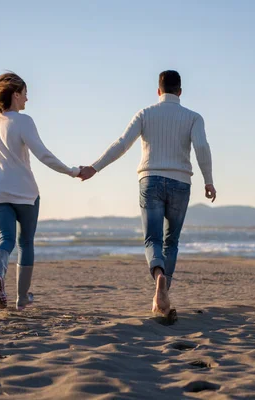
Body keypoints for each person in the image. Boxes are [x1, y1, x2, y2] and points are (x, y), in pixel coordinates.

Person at [79, 70, 216, 317]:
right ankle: (162, 295)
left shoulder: (145, 114)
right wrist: (209, 181)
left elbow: (122, 144)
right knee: (170, 241)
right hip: (180, 182)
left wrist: (95, 167)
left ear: (158, 91)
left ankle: (158, 276)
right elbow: (202, 147)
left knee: (152, 240)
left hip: (150, 181)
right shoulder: (194, 118)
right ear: (181, 92)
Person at [0, 72, 80, 310]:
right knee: (26, 243)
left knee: (5, 239)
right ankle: (22, 299)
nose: (27, 100)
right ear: (15, 94)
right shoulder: (24, 121)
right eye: (25, 94)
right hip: (25, 194)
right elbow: (43, 155)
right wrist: (72, 171)